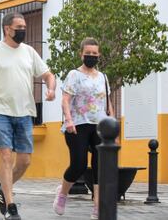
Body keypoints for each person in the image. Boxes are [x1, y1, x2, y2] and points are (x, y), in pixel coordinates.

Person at [0, 12, 56, 220]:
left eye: (25, 27)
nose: (23, 30)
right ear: (7, 29)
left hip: (24, 112)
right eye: (19, 27)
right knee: (5, 157)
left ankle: (1, 187)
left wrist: (51, 89)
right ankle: (10, 206)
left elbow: (48, 74)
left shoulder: (29, 52)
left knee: (24, 161)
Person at [53, 37, 114, 220]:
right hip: (78, 125)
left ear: (99, 55)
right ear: (81, 54)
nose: (91, 56)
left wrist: (112, 124)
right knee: (78, 165)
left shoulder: (103, 77)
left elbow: (108, 103)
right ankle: (62, 193)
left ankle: (97, 207)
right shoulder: (74, 75)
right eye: (88, 53)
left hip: (100, 127)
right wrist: (69, 120)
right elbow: (65, 100)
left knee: (99, 168)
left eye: (94, 54)